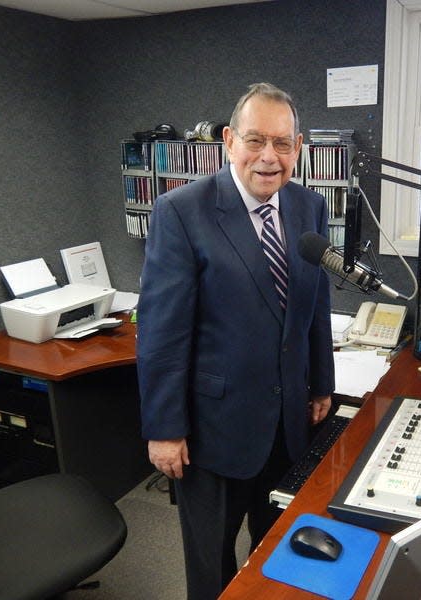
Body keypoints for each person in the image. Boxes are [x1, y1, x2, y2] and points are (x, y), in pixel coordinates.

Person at [136, 82, 335, 599]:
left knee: (275, 552)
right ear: (228, 141)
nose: (269, 157)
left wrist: (320, 385)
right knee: (213, 565)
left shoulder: (309, 208)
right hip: (212, 434)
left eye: (283, 143)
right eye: (255, 141)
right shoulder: (181, 211)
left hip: (288, 423)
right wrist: (164, 429)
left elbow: (314, 305)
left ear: (299, 146)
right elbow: (162, 333)